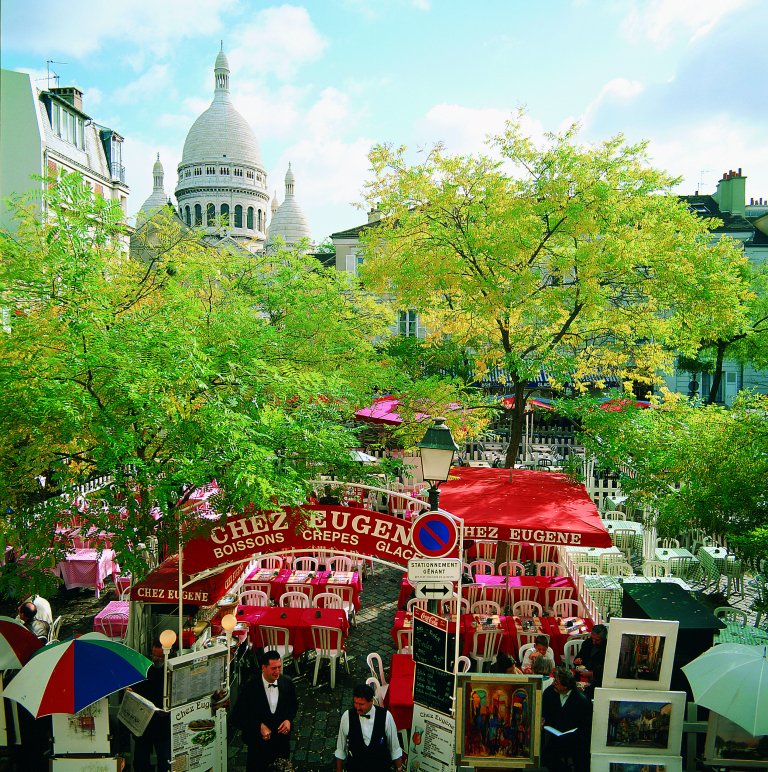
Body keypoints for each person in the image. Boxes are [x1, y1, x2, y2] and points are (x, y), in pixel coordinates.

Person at [231, 650, 297, 772]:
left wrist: (288, 720)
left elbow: (293, 707)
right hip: (258, 747)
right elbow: (236, 717)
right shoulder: (250, 687)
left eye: (279, 667)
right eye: (273, 668)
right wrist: (258, 726)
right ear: (263, 668)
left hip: (281, 745)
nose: (277, 671)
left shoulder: (287, 683)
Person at [334, 683, 403, 772]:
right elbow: (340, 748)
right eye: (355, 703)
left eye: (361, 704)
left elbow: (395, 748)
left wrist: (399, 768)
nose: (357, 707)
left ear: (371, 701)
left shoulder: (386, 717)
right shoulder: (347, 716)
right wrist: (338, 770)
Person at [541, 667, 592, 772]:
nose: (553, 684)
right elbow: (545, 713)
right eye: (554, 680)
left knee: (582, 760)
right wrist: (543, 720)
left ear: (566, 686)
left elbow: (586, 725)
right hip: (556, 736)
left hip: (575, 738)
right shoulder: (549, 693)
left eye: (557, 682)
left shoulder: (581, 700)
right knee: (547, 757)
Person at [131, 639, 171, 772]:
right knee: (141, 761)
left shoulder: (171, 672)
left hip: (162, 724)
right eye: (153, 655)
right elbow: (135, 689)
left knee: (165, 762)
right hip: (143, 723)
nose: (156, 659)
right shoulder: (144, 668)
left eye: (160, 656)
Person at [573, 624, 607, 693]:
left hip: (598, 681)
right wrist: (577, 660)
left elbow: (607, 669)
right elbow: (579, 657)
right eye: (592, 638)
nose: (594, 642)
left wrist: (592, 674)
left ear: (603, 639)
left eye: (597, 640)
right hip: (581, 676)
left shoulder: (607, 648)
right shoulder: (587, 643)